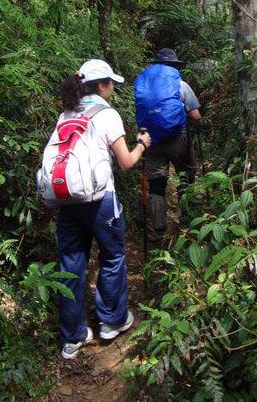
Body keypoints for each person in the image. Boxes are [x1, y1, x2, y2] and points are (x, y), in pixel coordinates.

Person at [56, 59, 151, 360]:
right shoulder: (107, 114)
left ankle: (73, 337)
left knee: (70, 264)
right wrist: (142, 145)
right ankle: (111, 321)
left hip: (68, 201)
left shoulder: (66, 113)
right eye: (111, 83)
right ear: (100, 85)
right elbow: (126, 162)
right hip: (100, 201)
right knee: (112, 256)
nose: (113, 89)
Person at [135, 48, 202, 240]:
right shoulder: (181, 85)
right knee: (186, 177)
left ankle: (158, 231)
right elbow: (195, 115)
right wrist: (201, 126)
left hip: (151, 139)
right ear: (174, 66)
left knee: (156, 184)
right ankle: (189, 223)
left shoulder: (144, 87)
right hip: (178, 138)